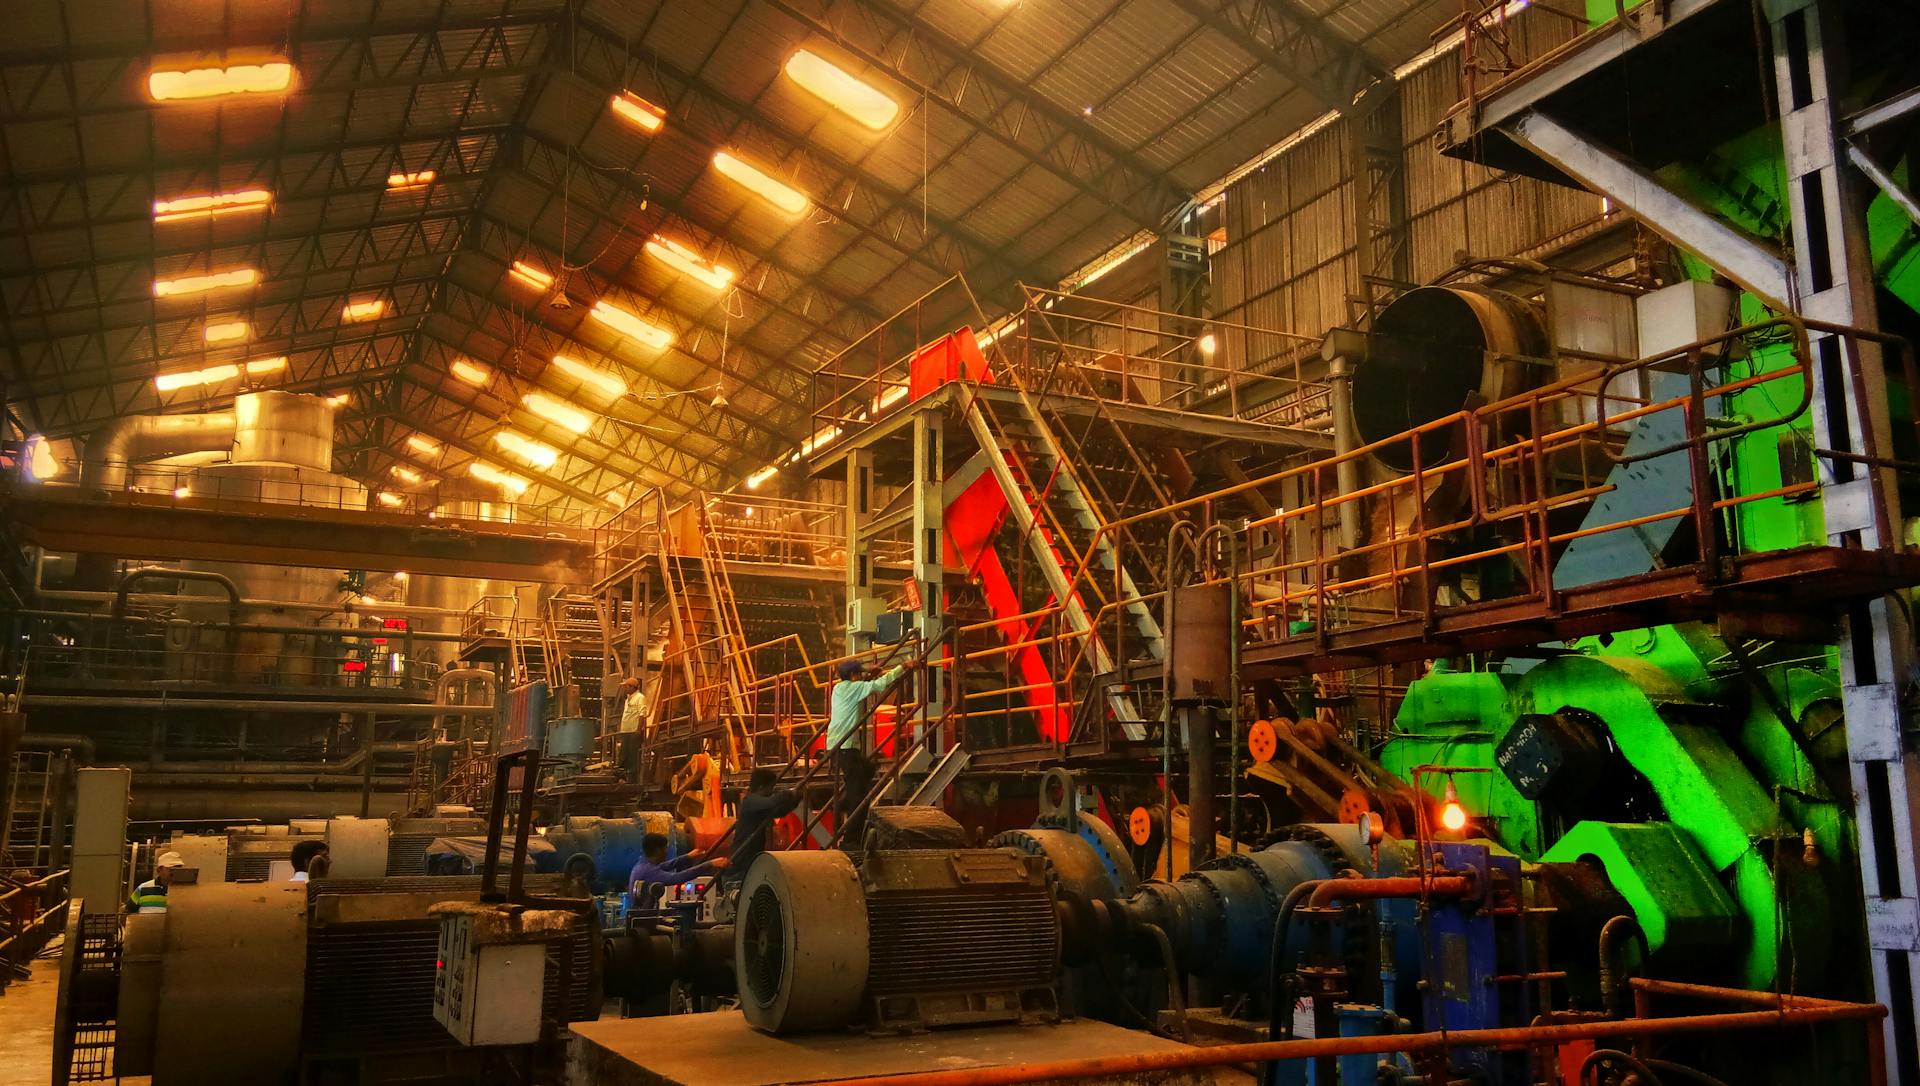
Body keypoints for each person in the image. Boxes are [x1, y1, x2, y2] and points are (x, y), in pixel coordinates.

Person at [827, 657, 919, 842]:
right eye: (859, 673)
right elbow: (881, 684)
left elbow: (860, 684)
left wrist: (869, 673)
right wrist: (903, 666)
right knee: (860, 796)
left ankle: (842, 803)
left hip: (836, 745)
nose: (861, 675)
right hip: (846, 747)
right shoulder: (855, 688)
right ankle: (851, 838)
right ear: (854, 675)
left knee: (867, 769)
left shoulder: (838, 688)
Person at [728, 767, 798, 880]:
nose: (771, 791)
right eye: (770, 788)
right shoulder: (750, 802)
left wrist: (794, 801)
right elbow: (771, 802)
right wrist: (786, 794)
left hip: (751, 853)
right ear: (761, 787)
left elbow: (779, 812)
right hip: (742, 857)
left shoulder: (759, 806)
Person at [628, 832, 726, 909]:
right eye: (665, 849)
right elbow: (678, 877)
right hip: (644, 919)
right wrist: (710, 864)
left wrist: (687, 857)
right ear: (658, 850)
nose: (666, 852)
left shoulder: (642, 865)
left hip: (640, 913)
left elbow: (665, 866)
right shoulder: (649, 871)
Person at [617, 675, 649, 780]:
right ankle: (623, 775)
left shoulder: (640, 698)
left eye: (626, 686)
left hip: (634, 732)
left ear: (631, 687)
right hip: (626, 732)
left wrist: (638, 730)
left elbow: (642, 714)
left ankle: (631, 778)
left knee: (633, 756)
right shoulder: (628, 699)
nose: (624, 688)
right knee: (624, 754)